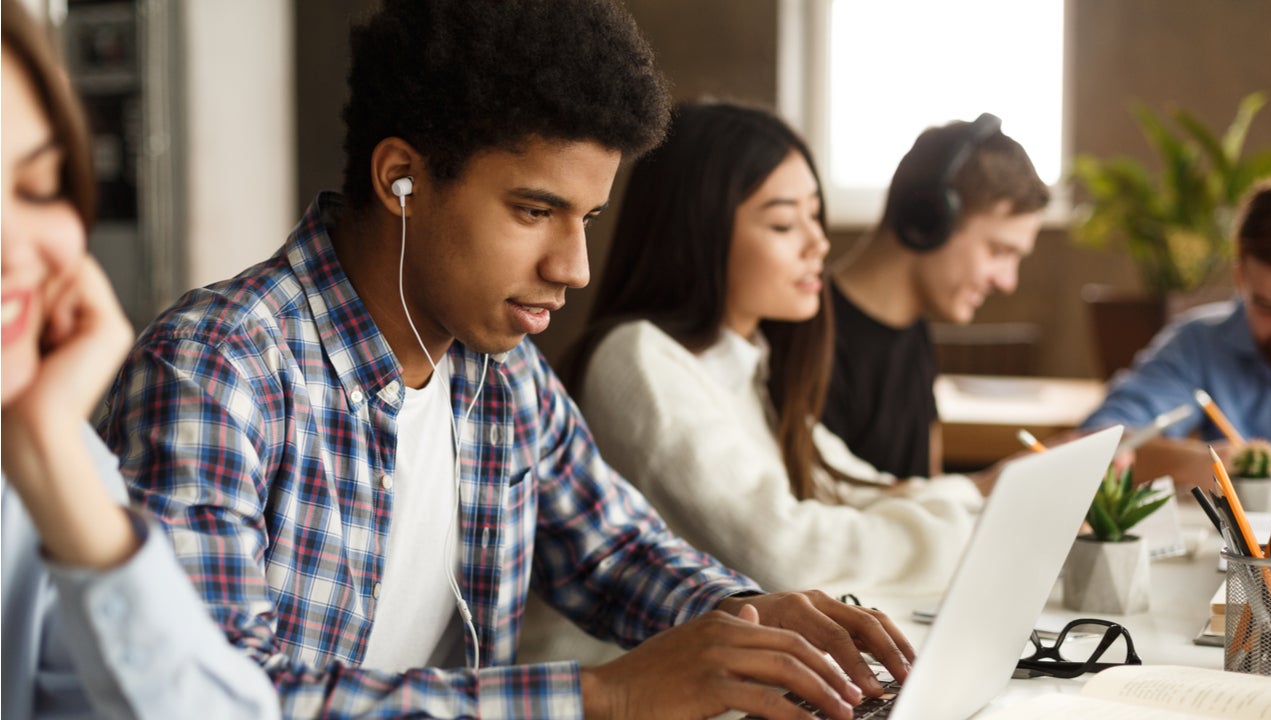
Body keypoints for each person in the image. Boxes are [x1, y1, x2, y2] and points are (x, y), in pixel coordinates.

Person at [97, 2, 914, 718]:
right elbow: (214, 700)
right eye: (535, 210)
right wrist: (607, 698)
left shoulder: (500, 371)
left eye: (587, 218)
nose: (574, 267)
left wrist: (753, 623)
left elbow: (611, 551)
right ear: (401, 180)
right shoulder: (216, 375)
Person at [557, 100, 982, 595]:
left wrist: (976, 495)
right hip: (621, 668)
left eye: (815, 216)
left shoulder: (749, 364)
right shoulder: (639, 359)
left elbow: (856, 488)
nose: (818, 244)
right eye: (784, 224)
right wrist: (969, 525)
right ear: (700, 231)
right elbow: (787, 555)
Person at [0, 2, 280, 718]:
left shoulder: (41, 465)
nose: (16, 250)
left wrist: (52, 462)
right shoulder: (214, 359)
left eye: (37, 187)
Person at [823, 116, 1051, 478]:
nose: (1008, 282)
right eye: (998, 251)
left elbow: (928, 496)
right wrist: (985, 488)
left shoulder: (914, 330)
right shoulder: (810, 340)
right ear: (929, 220)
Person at [1078, 178, 1271, 486]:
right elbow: (1100, 439)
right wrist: (1200, 462)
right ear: (1241, 280)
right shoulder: (1199, 344)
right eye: (1268, 307)